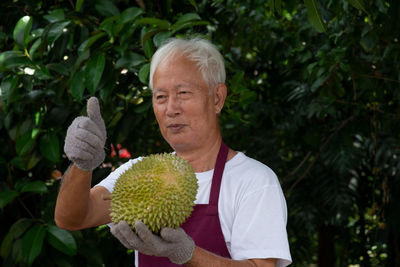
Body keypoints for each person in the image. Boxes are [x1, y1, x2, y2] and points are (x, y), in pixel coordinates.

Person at [55, 37, 292, 267]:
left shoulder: (254, 182)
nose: (171, 109)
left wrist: (188, 254)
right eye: (161, 97)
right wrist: (82, 165)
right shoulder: (138, 174)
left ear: (217, 98)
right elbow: (71, 218)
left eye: (184, 93)